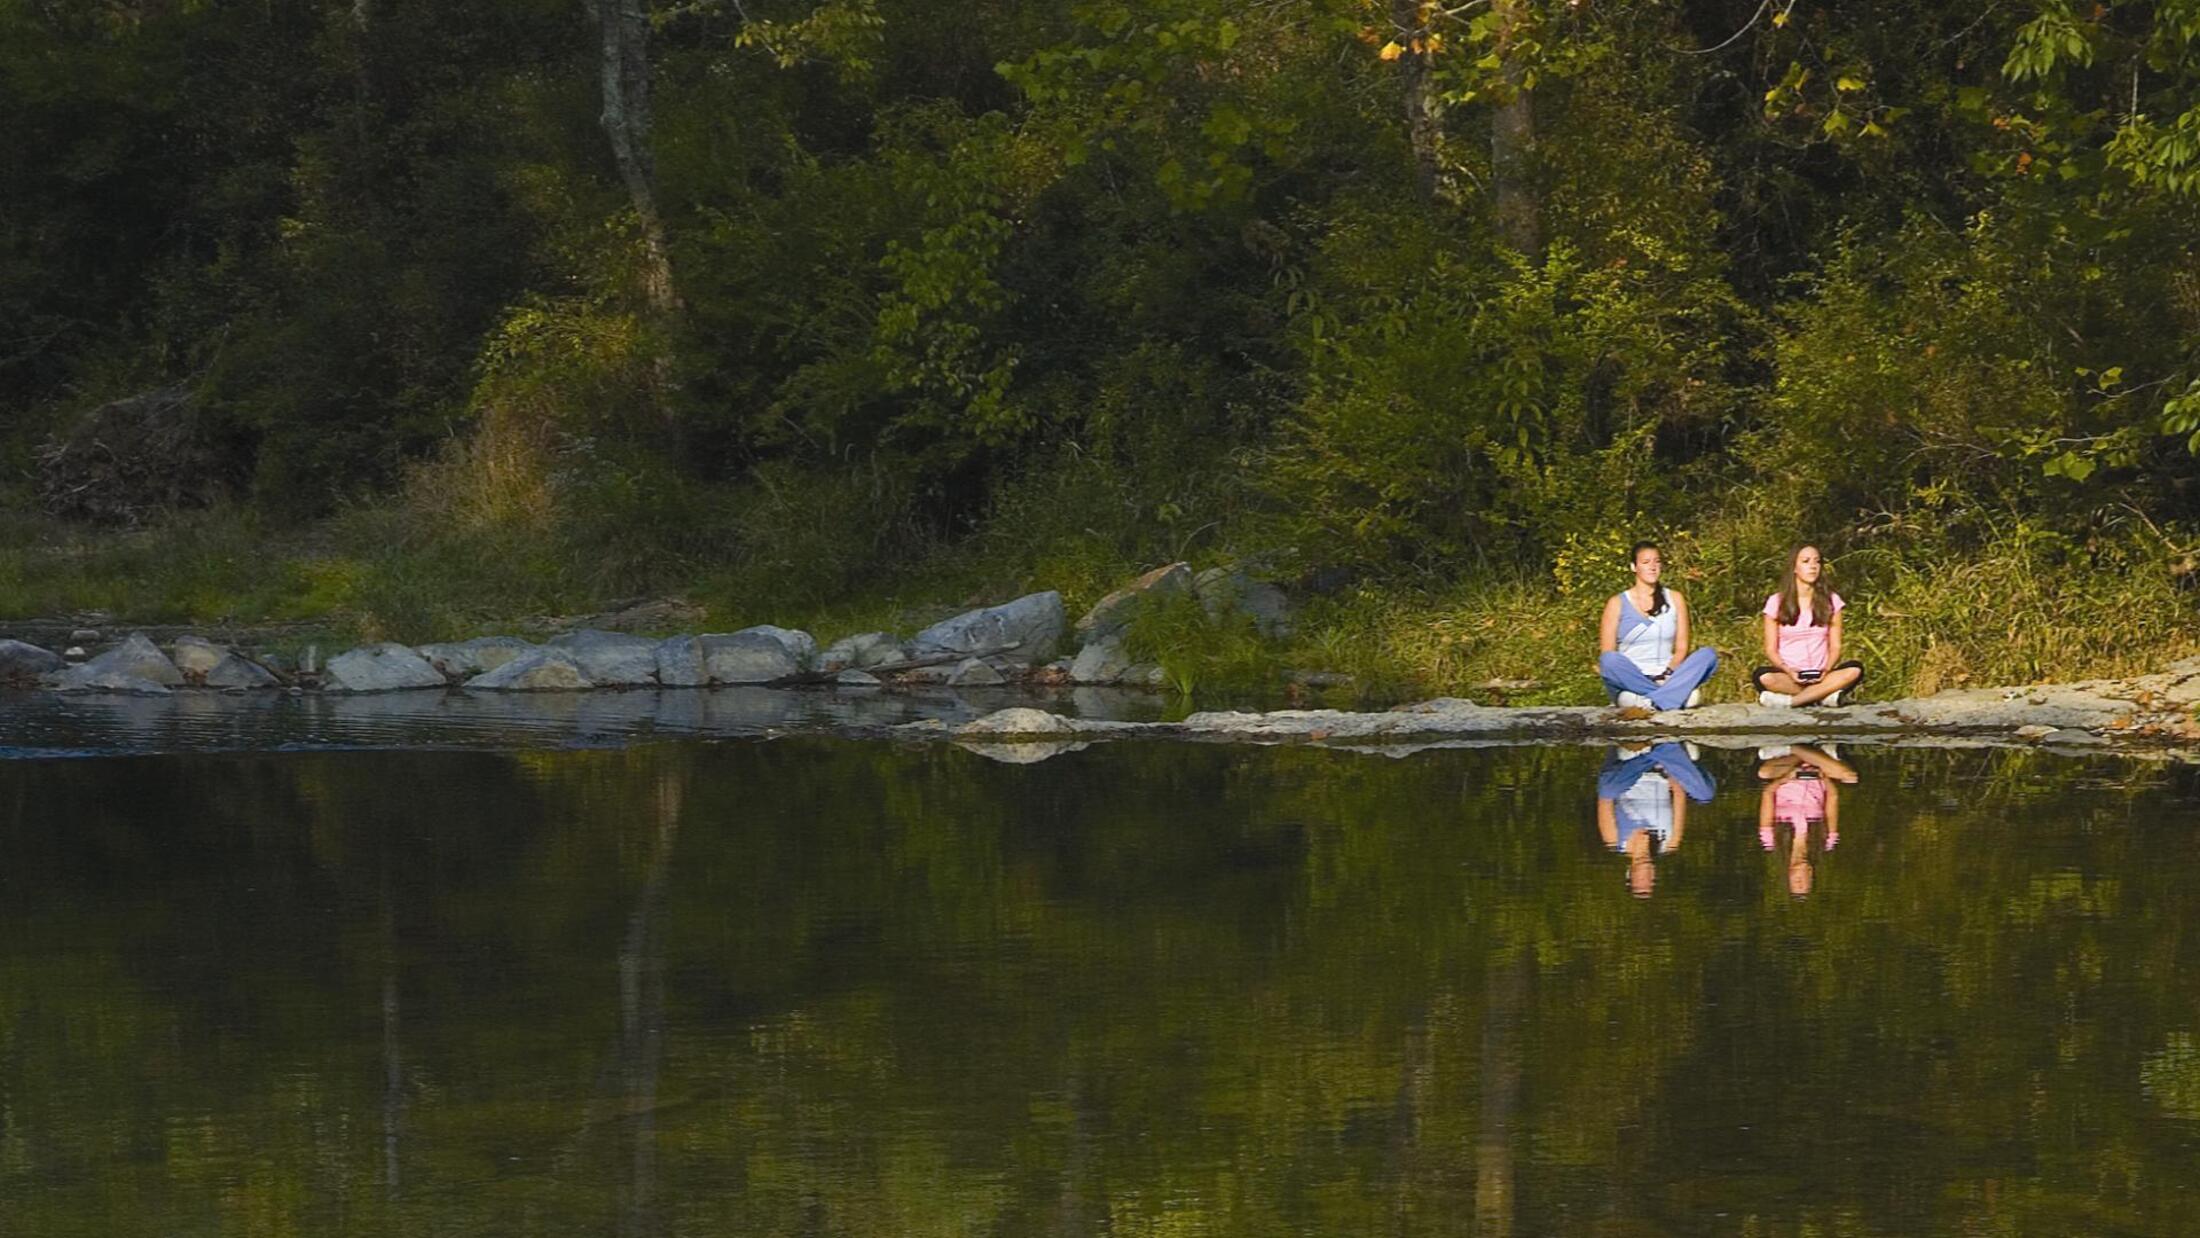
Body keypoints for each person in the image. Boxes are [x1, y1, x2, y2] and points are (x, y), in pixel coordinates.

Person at [1598, 541, 1719, 711]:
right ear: (1634, 567)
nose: (1653, 567)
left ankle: (1651, 701)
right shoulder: (1617, 603)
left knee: (1708, 655)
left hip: (1668, 676)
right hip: (1632, 679)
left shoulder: (1675, 598)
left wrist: (1668, 674)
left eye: (1657, 562)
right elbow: (1607, 652)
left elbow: (1682, 648)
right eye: (1646, 563)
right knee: (1608, 660)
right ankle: (1672, 697)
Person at [1596, 741, 1716, 898]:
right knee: (1705, 795)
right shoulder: (1670, 844)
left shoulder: (1615, 841)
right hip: (1662, 771)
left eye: (1641, 880)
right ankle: (1664, 750)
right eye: (1650, 880)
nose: (1647, 876)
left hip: (1629, 771)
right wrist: (1674, 773)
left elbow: (1605, 799)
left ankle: (1660, 751)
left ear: (1629, 874)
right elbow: (1679, 796)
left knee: (1608, 788)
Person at [1753, 544, 1865, 708]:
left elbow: (1835, 646)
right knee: (1763, 676)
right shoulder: (1776, 602)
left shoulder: (1831, 600)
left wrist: (1826, 670)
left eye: (1817, 562)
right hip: (1790, 675)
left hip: (1823, 674)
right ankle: (1823, 697)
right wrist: (1789, 671)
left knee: (1855, 669)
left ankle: (1794, 701)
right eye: (1806, 561)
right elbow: (1771, 649)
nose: (1813, 567)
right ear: (1794, 568)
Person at [1755, 743, 1858, 897]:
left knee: (1764, 773)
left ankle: (1799, 751)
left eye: (1797, 883)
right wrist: (1824, 778)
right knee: (1850, 777)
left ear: (1789, 876)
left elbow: (1768, 793)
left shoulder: (1771, 841)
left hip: (1787, 773)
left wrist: (1785, 778)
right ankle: (1815, 753)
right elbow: (1833, 797)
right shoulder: (1826, 842)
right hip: (1818, 774)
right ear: (1811, 874)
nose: (1801, 880)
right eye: (1805, 883)